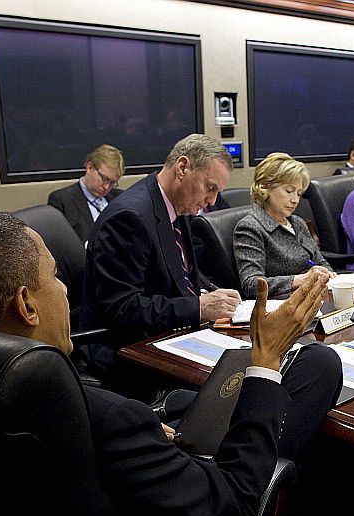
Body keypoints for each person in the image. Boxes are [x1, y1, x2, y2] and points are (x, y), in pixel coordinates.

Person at [0, 211, 343, 516]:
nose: (64, 290)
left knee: (189, 399)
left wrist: (146, 428)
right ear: (26, 305)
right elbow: (231, 503)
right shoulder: (112, 422)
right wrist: (265, 361)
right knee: (317, 365)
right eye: (56, 276)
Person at [81, 134, 242, 378]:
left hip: (170, 335)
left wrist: (210, 293)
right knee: (234, 382)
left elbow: (180, 274)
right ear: (183, 168)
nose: (212, 201)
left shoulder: (176, 206)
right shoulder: (129, 218)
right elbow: (124, 308)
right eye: (210, 188)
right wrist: (199, 307)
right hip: (126, 352)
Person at [234, 152, 335, 299]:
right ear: (265, 187)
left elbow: (319, 261)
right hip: (282, 307)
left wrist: (327, 273)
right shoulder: (250, 227)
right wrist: (300, 279)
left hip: (313, 298)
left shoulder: (298, 222)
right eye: (289, 191)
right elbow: (251, 285)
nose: (295, 200)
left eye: (299, 193)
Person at [47, 144, 124, 244]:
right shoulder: (61, 201)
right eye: (104, 179)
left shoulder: (120, 198)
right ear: (89, 167)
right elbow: (60, 245)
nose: (106, 187)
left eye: (112, 183)